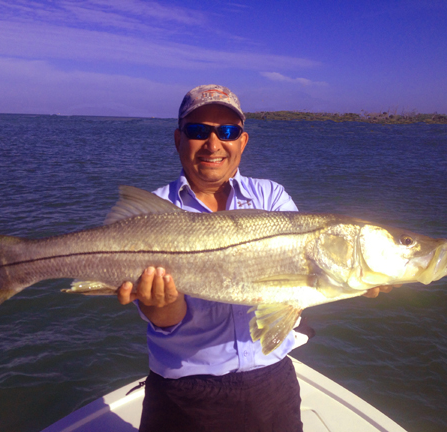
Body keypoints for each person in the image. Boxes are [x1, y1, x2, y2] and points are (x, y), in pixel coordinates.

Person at [117, 84, 395, 432]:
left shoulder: (272, 197)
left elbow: (294, 293)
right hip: (183, 394)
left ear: (242, 141)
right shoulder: (153, 213)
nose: (214, 144)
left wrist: (354, 279)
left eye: (228, 132)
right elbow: (166, 320)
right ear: (178, 139)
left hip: (272, 387)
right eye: (198, 131)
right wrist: (159, 304)